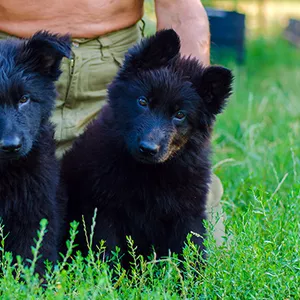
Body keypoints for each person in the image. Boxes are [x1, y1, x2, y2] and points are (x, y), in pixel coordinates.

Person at [0, 0, 226, 245]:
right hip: (10, 64)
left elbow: (180, 10)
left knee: (206, 244)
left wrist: (190, 99)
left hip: (116, 76)